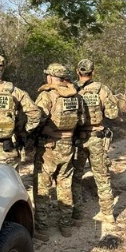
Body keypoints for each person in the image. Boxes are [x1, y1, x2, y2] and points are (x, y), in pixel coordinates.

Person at [34, 63, 81, 239]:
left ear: (51, 77)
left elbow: (37, 118)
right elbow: (82, 118)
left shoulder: (47, 96)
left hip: (49, 146)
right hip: (67, 144)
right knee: (65, 185)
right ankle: (66, 226)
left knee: (43, 187)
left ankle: (42, 228)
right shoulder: (75, 96)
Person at [72, 58, 120, 224]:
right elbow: (113, 114)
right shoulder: (102, 89)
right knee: (102, 176)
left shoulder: (71, 89)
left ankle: (77, 214)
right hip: (96, 138)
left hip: (77, 139)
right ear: (93, 72)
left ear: (78, 72)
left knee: (75, 177)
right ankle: (107, 214)